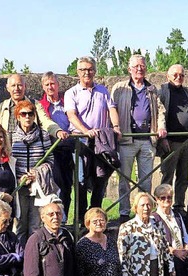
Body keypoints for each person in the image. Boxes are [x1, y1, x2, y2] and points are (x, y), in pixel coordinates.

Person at [109, 54, 166, 223]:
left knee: (146, 180)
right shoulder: (120, 88)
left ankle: (144, 213)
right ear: (129, 69)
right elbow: (112, 108)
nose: (139, 69)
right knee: (124, 179)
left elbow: (160, 110)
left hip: (148, 140)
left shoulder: (152, 89)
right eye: (135, 67)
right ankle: (124, 213)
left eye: (142, 66)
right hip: (127, 140)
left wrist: (161, 126)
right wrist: (116, 127)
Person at [65, 56, 118, 221]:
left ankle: (95, 216)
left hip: (100, 140)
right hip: (80, 140)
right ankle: (80, 219)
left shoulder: (103, 90)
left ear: (94, 71)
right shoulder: (71, 92)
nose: (86, 72)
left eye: (90, 69)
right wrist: (85, 131)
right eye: (83, 70)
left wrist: (116, 127)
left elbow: (112, 109)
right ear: (77, 72)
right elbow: (71, 116)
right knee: (80, 179)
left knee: (100, 178)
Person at [10, 100, 56, 244]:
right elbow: (8, 161)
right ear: (18, 116)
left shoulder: (43, 135)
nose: (27, 117)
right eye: (23, 114)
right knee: (20, 225)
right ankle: (20, 259)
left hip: (38, 187)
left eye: (30, 114)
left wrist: (37, 173)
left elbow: (50, 160)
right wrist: (19, 177)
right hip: (20, 186)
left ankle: (36, 254)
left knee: (36, 225)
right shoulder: (10, 136)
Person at [158, 64, 188, 212]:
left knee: (184, 177)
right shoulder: (163, 92)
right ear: (168, 76)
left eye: (181, 75)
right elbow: (159, 115)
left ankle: (179, 206)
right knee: (167, 175)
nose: (178, 77)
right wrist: (163, 139)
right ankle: (163, 207)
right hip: (171, 141)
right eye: (175, 74)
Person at [39, 72, 74, 220]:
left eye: (52, 83)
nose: (50, 87)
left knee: (70, 183)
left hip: (71, 146)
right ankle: (59, 217)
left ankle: (71, 216)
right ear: (43, 87)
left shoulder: (67, 101)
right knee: (57, 183)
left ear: (58, 85)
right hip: (53, 149)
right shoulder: (41, 105)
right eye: (47, 84)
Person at [0, 73, 66, 140]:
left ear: (25, 86)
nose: (16, 89)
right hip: (8, 149)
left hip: (30, 149)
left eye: (19, 85)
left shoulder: (35, 104)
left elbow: (45, 121)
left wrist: (57, 131)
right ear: (8, 88)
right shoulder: (3, 106)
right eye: (13, 86)